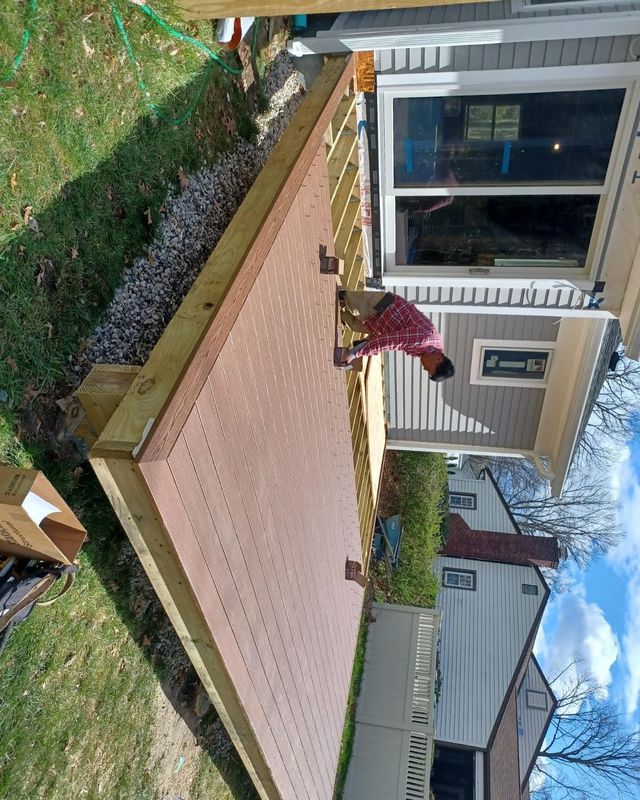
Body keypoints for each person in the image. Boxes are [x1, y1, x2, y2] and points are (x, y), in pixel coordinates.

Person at [336, 289, 455, 382]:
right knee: (342, 297)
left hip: (378, 322)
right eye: (429, 369)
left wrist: (364, 345)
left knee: (344, 319)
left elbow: (392, 341)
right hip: (379, 306)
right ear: (438, 359)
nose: (424, 368)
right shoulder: (423, 339)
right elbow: (389, 342)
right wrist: (353, 353)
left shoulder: (432, 349)